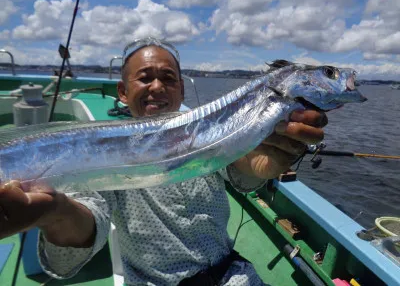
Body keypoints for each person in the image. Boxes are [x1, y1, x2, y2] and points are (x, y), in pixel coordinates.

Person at [0, 38, 327, 285]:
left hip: (231, 276)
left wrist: (259, 167)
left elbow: (241, 176)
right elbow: (89, 221)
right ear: (123, 92)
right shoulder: (102, 149)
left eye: (168, 78)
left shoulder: (210, 131)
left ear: (181, 89)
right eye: (145, 78)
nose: (157, 86)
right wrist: (53, 212)